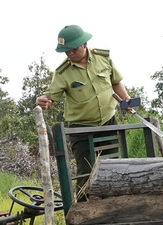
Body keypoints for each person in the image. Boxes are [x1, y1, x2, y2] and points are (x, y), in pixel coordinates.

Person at [36, 24, 131, 198]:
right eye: (66, 51)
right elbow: (50, 96)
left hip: (108, 123)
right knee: (86, 173)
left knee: (113, 169)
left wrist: (125, 99)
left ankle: (114, 205)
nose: (70, 54)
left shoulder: (103, 58)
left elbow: (116, 82)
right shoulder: (63, 72)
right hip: (81, 129)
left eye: (73, 49)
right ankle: (82, 210)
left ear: (84, 44)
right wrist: (42, 100)